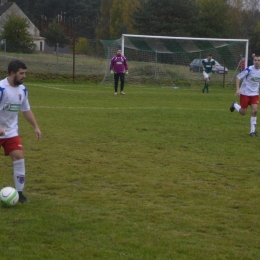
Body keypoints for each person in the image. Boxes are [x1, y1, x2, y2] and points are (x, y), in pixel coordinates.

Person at [0, 60, 41, 202]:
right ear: (12, 73)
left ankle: (19, 193)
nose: (24, 76)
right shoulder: (1, 88)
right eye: (21, 73)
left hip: (11, 132)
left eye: (25, 73)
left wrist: (35, 126)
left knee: (19, 157)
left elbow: (26, 109)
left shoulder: (22, 90)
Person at [230, 55, 260, 136]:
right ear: (253, 61)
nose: (257, 62)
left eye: (258, 60)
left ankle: (252, 131)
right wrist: (238, 89)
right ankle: (235, 105)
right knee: (243, 112)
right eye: (255, 60)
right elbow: (238, 77)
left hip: (254, 94)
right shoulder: (249, 69)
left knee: (255, 110)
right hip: (245, 93)